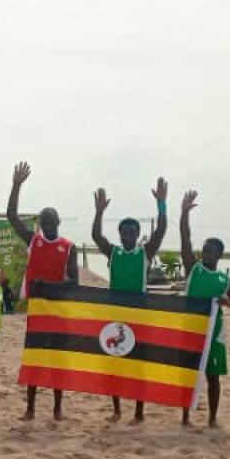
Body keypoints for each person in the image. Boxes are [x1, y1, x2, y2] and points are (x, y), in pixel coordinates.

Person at [5, 161, 80, 421]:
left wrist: (47, 286)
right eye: (44, 221)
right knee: (34, 359)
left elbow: (74, 283)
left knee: (57, 360)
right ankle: (30, 408)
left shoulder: (69, 247)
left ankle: (58, 408)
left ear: (58, 222)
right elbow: (12, 217)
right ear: (40, 223)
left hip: (59, 310)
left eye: (51, 221)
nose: (48, 225)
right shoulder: (33, 240)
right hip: (37, 311)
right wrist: (16, 186)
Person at [91, 178, 169, 423]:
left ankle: (139, 413)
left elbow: (161, 230)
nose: (127, 235)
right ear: (120, 234)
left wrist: (162, 205)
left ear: (137, 234)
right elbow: (96, 235)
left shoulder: (144, 253)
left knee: (137, 367)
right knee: (114, 364)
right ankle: (116, 410)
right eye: (124, 232)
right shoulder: (112, 252)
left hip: (139, 316)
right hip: (115, 317)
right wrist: (99, 212)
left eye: (132, 232)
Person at [180, 190, 230, 428]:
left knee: (213, 378)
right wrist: (184, 213)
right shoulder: (194, 269)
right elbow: (185, 239)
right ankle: (185, 417)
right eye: (203, 250)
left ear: (219, 255)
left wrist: (228, 303)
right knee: (188, 375)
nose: (204, 253)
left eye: (209, 251)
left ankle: (212, 418)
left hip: (213, 336)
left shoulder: (224, 281)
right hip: (191, 332)